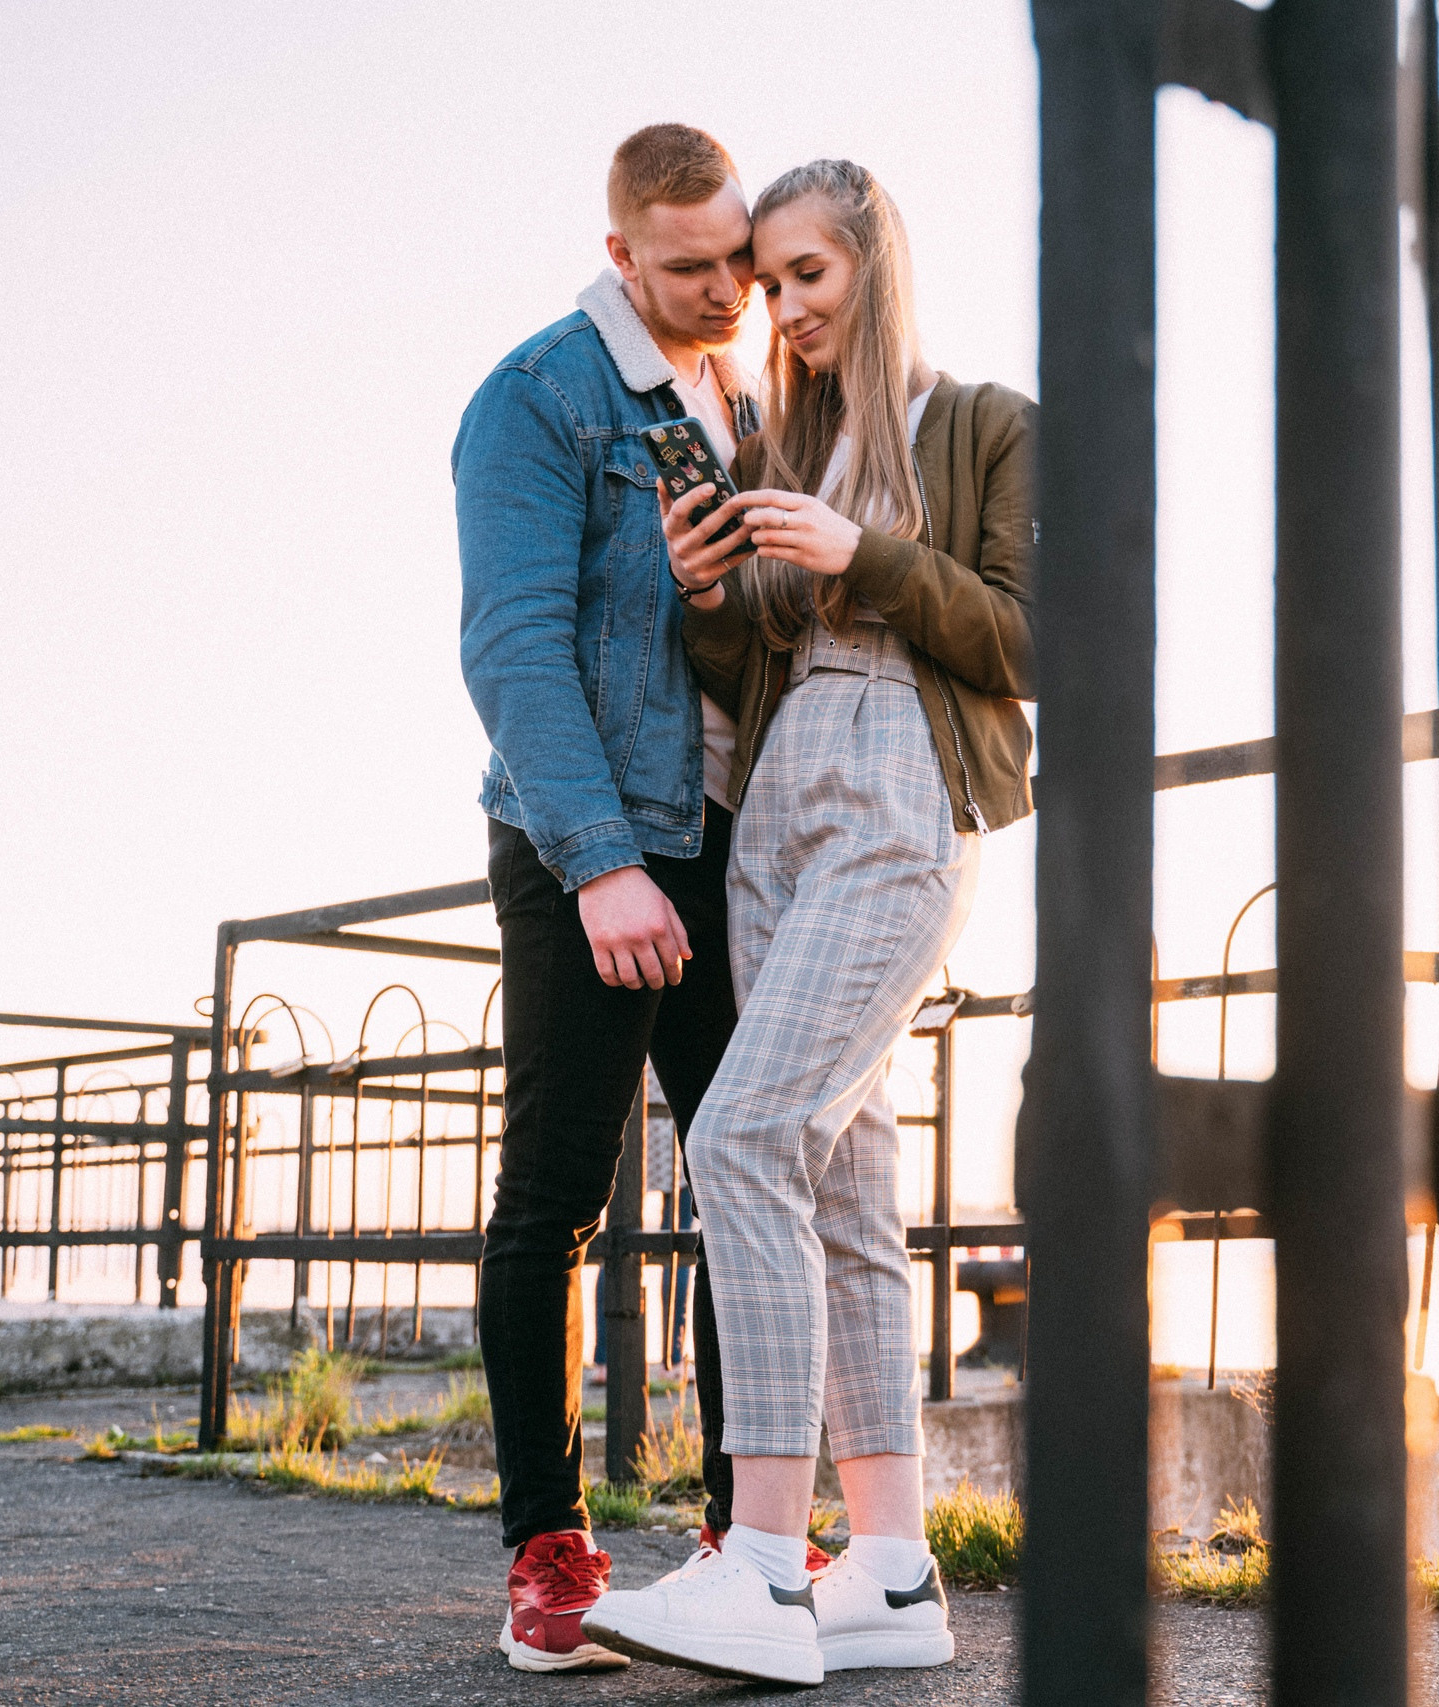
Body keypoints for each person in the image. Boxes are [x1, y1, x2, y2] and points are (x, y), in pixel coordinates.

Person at [583, 158, 1036, 1686]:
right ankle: (892, 1575)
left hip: (907, 796)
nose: (780, 307)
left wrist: (867, 556)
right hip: (779, 807)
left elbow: (1037, 640)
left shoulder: (984, 423)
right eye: (767, 284)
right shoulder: (779, 445)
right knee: (847, 1185)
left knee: (740, 1135)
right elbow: (746, 671)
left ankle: (764, 1566)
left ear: (874, 263)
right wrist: (710, 594)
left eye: (806, 276)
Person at [454, 122, 813, 1676]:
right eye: (687, 267)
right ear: (619, 254)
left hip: (735, 843)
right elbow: (513, 647)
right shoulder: (538, 396)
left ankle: (751, 1544)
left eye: (739, 260)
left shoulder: (750, 392)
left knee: (747, 1174)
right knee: (556, 1197)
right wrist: (601, 865)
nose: (726, 289)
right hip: (587, 847)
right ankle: (548, 1558)